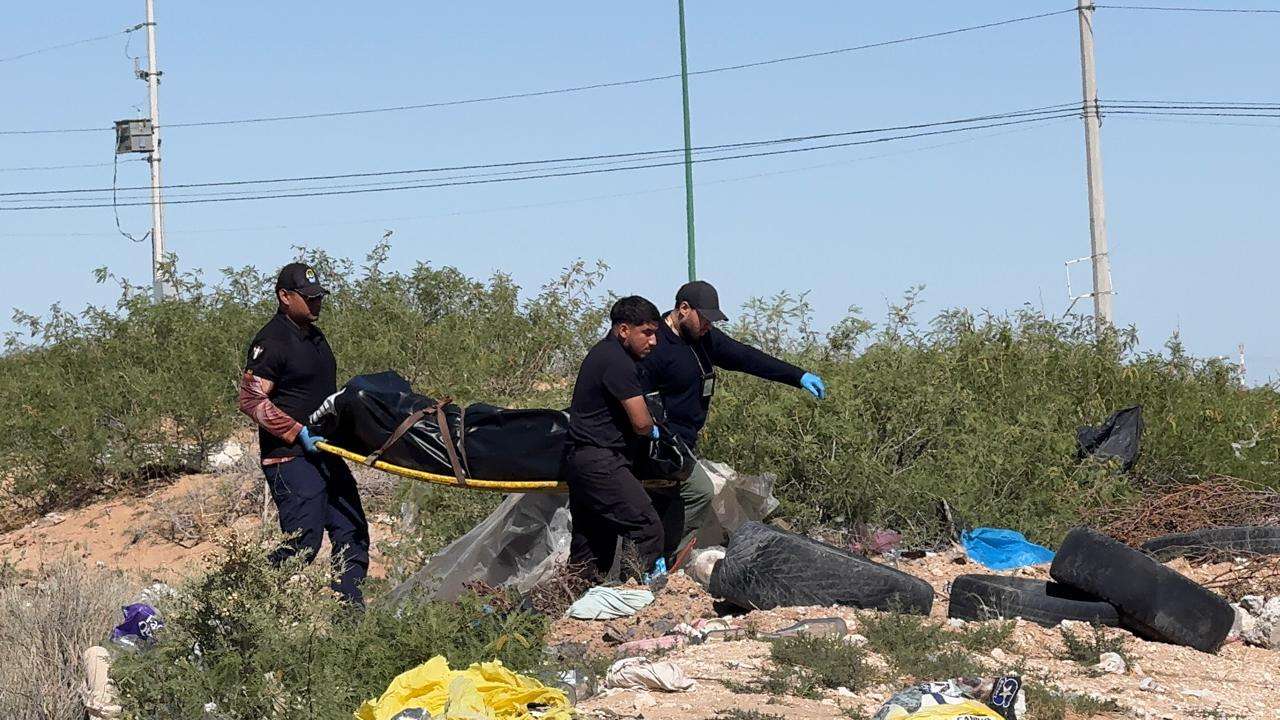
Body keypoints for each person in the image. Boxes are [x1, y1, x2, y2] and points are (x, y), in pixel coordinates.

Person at [639, 280, 827, 560]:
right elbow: (637, 394)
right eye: (704, 318)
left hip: (685, 443)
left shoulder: (704, 340)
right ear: (683, 309)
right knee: (698, 492)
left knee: (676, 503)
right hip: (660, 444)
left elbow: (746, 357)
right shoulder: (656, 344)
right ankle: (658, 557)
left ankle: (662, 561)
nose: (708, 326)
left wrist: (797, 376)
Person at [237, 262, 369, 605]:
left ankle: (348, 618)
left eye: (318, 296)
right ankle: (241, 606)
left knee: (352, 533)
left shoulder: (315, 337)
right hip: (290, 459)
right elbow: (250, 399)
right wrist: (298, 432)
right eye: (308, 297)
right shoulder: (272, 340)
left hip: (327, 454)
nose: (316, 303)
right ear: (284, 296)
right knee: (302, 544)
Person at [563, 295, 667, 583]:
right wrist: (654, 429)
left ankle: (568, 605)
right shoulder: (617, 362)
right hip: (601, 461)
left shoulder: (603, 354)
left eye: (655, 333)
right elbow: (641, 422)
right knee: (646, 527)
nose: (653, 341)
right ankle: (634, 593)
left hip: (582, 461)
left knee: (591, 553)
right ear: (623, 330)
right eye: (646, 333)